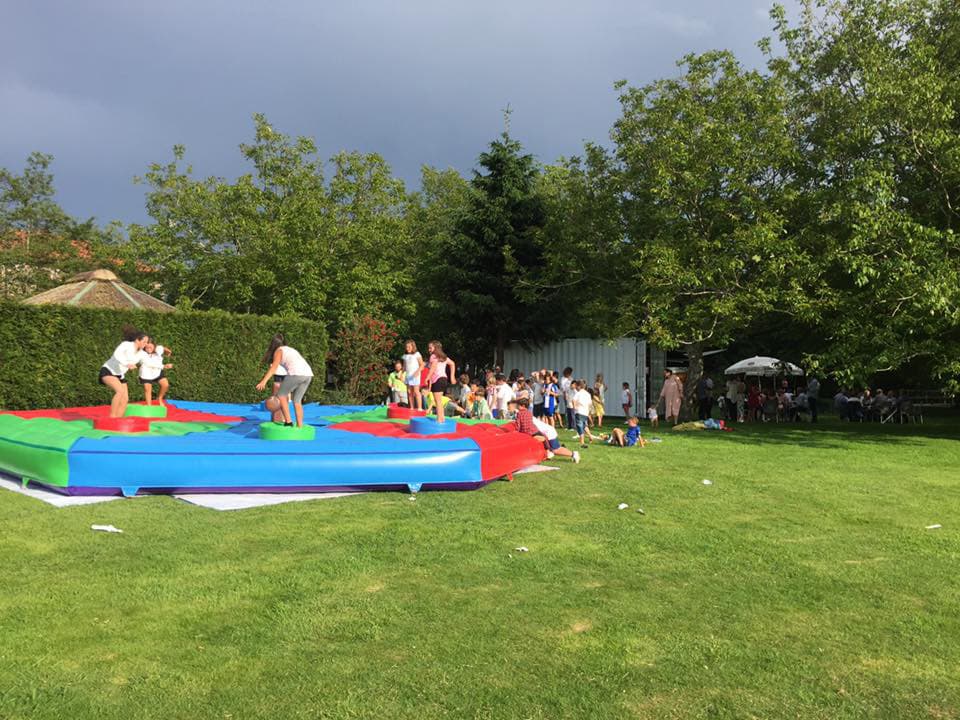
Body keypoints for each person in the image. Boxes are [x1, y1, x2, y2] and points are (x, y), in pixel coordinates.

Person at [256, 333, 313, 428]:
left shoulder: (279, 350)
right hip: (308, 374)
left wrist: (263, 381)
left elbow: (273, 368)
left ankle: (288, 421)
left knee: (281, 395)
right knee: (297, 400)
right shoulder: (290, 349)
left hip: (296, 374)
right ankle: (300, 426)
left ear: (273, 345)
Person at [99, 328, 149, 418]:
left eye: (147, 342)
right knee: (119, 391)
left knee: (125, 399)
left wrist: (163, 366)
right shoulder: (126, 345)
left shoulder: (142, 353)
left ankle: (119, 419)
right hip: (108, 371)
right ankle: (112, 417)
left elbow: (149, 362)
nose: (145, 344)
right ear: (137, 340)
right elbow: (116, 354)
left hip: (120, 376)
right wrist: (127, 364)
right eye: (144, 342)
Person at [138, 338, 173, 406]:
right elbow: (150, 363)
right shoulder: (142, 354)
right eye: (147, 347)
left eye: (150, 347)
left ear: (154, 346)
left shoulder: (158, 349)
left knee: (165, 385)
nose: (148, 348)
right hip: (146, 374)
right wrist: (164, 366)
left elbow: (162, 348)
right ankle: (149, 405)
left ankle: (159, 398)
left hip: (157, 372)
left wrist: (168, 351)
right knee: (148, 390)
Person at [427, 347, 455, 423]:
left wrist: (427, 378)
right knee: (439, 400)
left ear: (435, 348)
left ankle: (439, 419)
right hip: (444, 379)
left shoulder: (433, 356)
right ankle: (442, 418)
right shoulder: (443, 357)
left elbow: (433, 368)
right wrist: (452, 377)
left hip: (437, 379)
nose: (429, 349)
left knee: (437, 401)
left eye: (430, 348)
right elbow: (452, 363)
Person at [402, 340, 425, 411]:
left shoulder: (417, 354)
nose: (407, 348)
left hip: (415, 375)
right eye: (406, 347)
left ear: (413, 347)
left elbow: (422, 365)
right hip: (408, 376)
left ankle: (419, 407)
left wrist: (417, 371)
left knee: (416, 391)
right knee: (409, 392)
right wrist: (401, 373)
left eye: (409, 347)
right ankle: (411, 407)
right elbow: (404, 367)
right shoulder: (405, 356)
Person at [571, 379, 594, 447]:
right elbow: (590, 404)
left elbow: (573, 400)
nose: (576, 388)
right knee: (584, 426)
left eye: (576, 386)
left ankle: (582, 442)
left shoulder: (578, 393)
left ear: (579, 386)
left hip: (579, 411)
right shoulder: (588, 394)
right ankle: (590, 436)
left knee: (579, 426)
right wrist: (589, 411)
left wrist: (575, 407)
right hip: (585, 412)